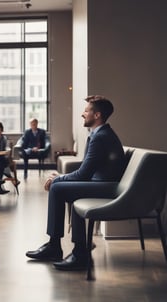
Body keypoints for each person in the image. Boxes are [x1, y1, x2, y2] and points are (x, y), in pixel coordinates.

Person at [26, 95, 126, 271]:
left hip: (108, 187)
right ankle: (62, 247)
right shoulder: (100, 134)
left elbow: (84, 173)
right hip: (103, 183)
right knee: (60, 186)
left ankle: (68, 250)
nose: (83, 114)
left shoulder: (100, 136)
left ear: (97, 115)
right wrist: (63, 176)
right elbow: (86, 170)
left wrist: (58, 178)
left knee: (57, 188)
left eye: (87, 111)